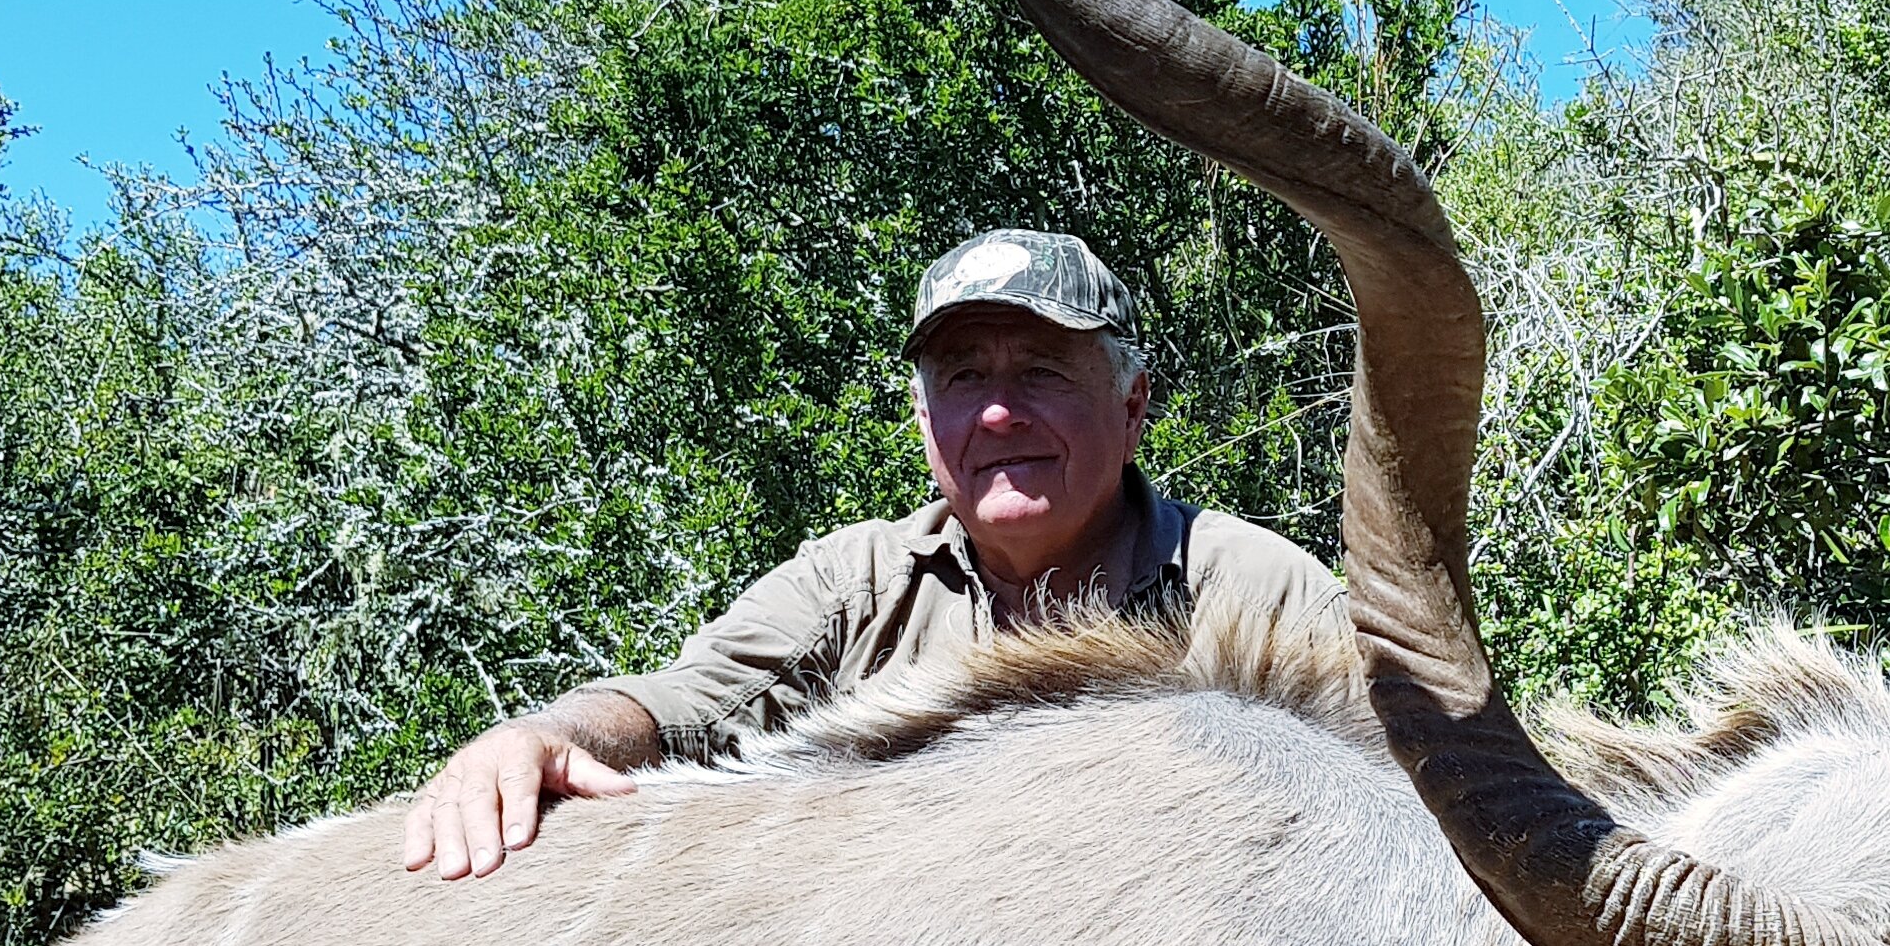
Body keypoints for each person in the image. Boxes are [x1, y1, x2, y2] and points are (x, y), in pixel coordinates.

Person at [400, 228, 1343, 877]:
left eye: (1043, 371)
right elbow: (681, 705)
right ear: (925, 422)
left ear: (1133, 406)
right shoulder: (855, 582)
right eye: (964, 377)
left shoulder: (1255, 590)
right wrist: (541, 736)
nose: (999, 410)